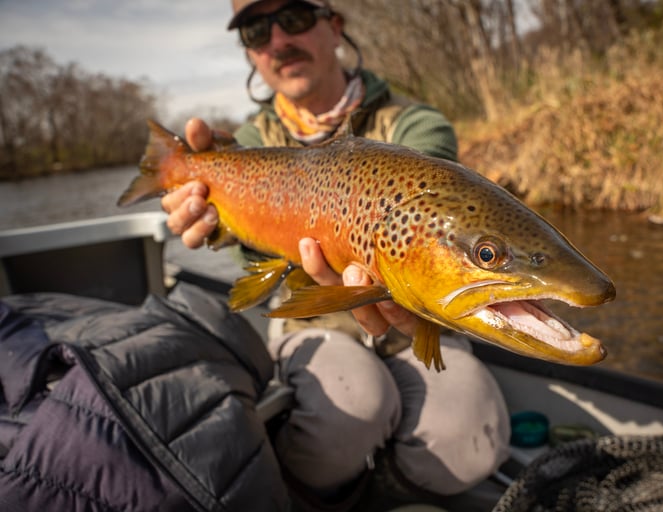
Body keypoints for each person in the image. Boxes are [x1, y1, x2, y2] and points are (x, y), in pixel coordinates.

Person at [163, 0, 510, 507]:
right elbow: (254, 255)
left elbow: (442, 214)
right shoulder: (247, 143)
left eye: (295, 19)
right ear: (251, 53)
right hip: (312, 321)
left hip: (418, 316)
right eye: (257, 31)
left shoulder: (414, 123)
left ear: (335, 27)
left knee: (472, 434)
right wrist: (216, 227)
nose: (278, 41)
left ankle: (381, 495)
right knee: (350, 411)